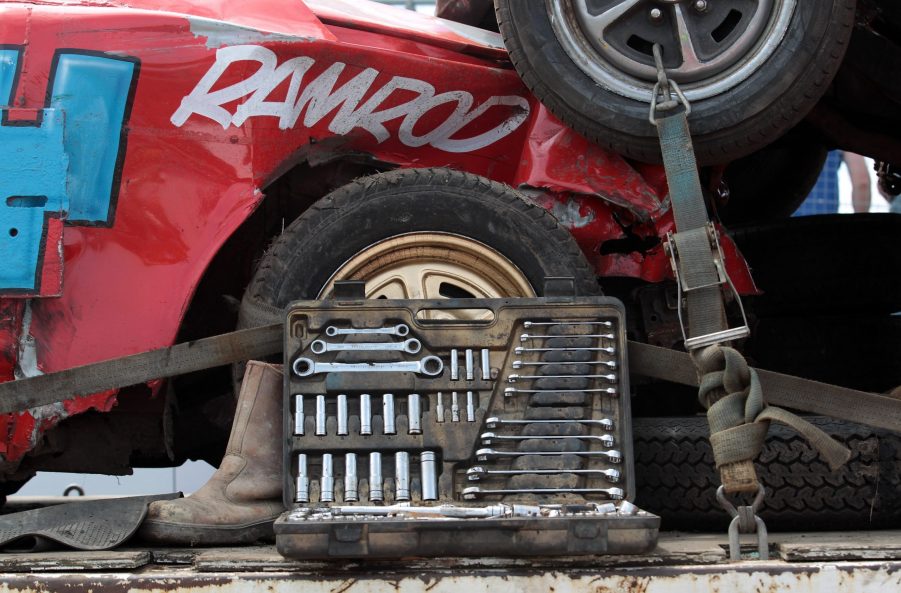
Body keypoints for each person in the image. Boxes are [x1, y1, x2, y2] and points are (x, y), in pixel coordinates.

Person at [794, 150, 871, 216]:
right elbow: (862, 182)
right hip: (826, 220)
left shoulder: (786, 133)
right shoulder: (843, 135)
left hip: (789, 219)